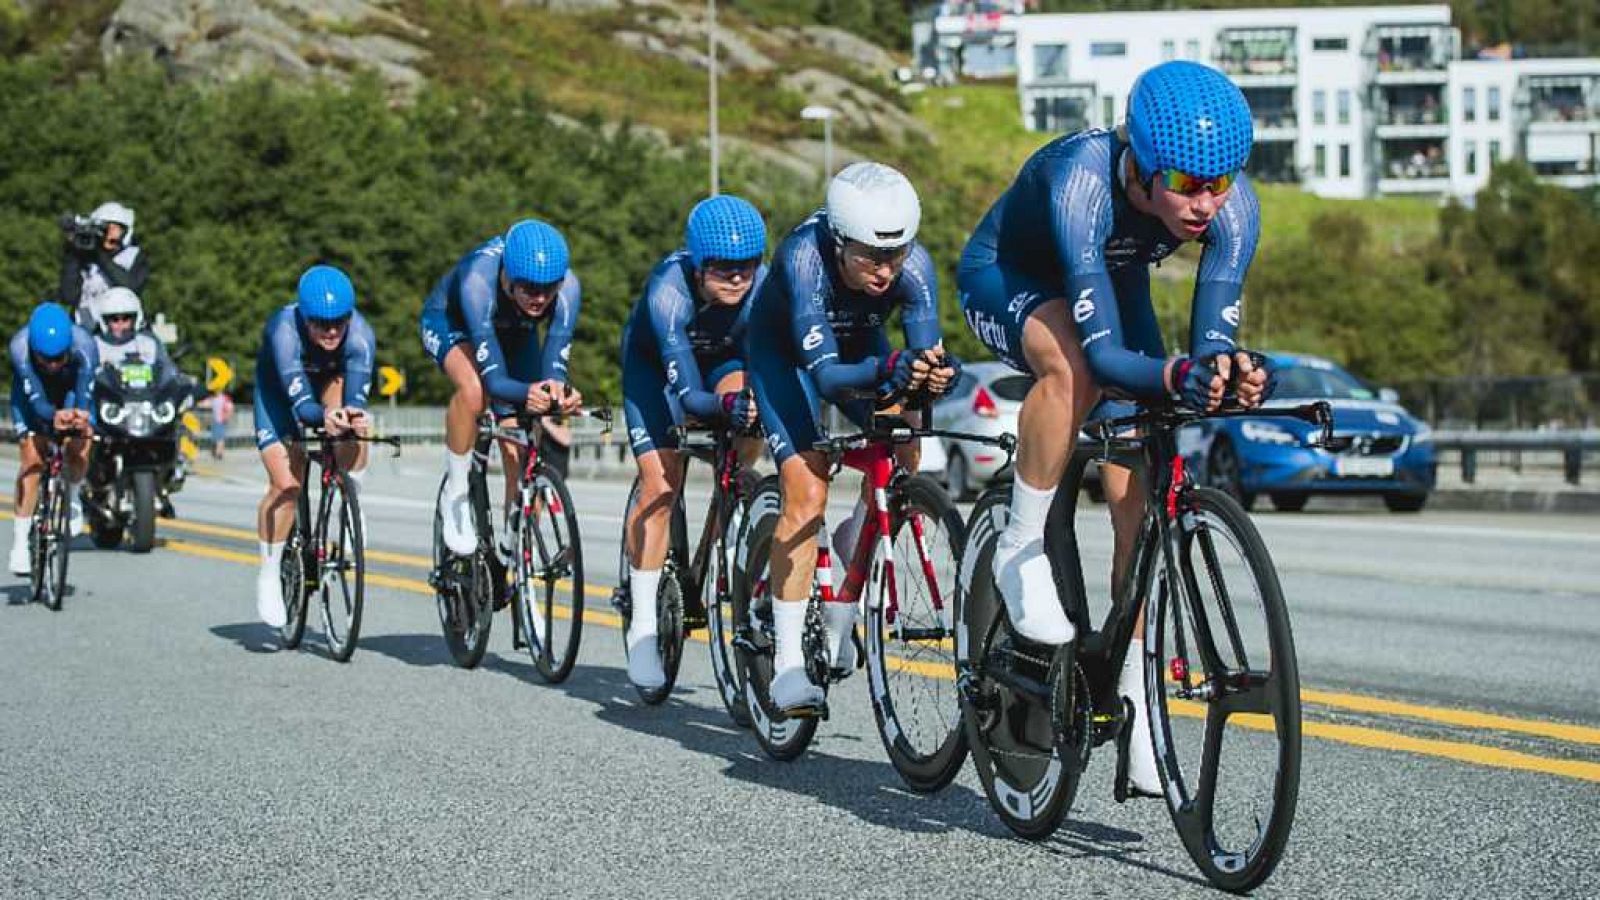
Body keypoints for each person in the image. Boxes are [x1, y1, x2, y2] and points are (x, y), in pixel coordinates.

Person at [957, 60, 1268, 795]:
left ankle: (1132, 699)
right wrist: (1171, 373)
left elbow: (1211, 343)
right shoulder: (1083, 179)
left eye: (1221, 183)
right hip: (1011, 276)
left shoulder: (1229, 203)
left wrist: (1232, 374)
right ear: (1147, 166)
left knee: (1140, 491)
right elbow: (1103, 357)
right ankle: (1020, 543)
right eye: (1190, 185)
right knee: (1075, 368)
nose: (1208, 203)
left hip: (1110, 271)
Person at [745, 162, 961, 713]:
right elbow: (825, 378)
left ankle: (858, 539)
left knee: (906, 445)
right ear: (840, 241)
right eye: (871, 256)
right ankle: (789, 666)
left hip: (859, 347)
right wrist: (891, 366)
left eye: (898, 254)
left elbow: (919, 363)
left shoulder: (915, 270)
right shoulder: (803, 258)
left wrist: (934, 374)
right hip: (787, 359)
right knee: (808, 491)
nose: (887, 271)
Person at [619, 194, 768, 690]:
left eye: (746, 267)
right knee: (661, 486)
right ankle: (642, 625)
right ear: (699, 263)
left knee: (748, 421)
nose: (737, 278)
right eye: (723, 269)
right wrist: (720, 407)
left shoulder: (762, 288)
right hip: (658, 370)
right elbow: (687, 394)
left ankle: (730, 513)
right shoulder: (669, 290)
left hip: (723, 361)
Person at [419, 218, 583, 559]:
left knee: (521, 449)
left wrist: (557, 392)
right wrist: (527, 393)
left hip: (515, 333)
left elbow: (553, 366)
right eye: (529, 288)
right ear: (507, 275)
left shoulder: (567, 289)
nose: (540, 298)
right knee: (475, 391)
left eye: (548, 289)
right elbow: (495, 383)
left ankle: (514, 547)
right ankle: (458, 492)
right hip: (454, 325)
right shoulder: (478, 279)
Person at [253, 265, 375, 628]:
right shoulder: (283, 330)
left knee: (353, 424)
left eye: (340, 321)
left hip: (328, 383)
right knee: (287, 485)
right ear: (305, 318)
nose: (332, 330)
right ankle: (270, 570)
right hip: (279, 394)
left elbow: (353, 399)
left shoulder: (361, 337)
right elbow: (302, 407)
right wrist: (322, 417)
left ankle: (349, 499)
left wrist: (348, 419)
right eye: (322, 324)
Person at [8, 303, 98, 575]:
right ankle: (20, 543)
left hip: (71, 390)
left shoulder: (86, 346)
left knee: (81, 446)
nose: (52, 365)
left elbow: (84, 394)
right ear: (34, 350)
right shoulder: (20, 348)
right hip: (32, 398)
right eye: (45, 359)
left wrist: (80, 418)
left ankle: (73, 495)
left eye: (59, 358)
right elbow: (36, 402)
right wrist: (51, 417)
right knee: (32, 460)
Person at [58, 202, 149, 331]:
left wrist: (99, 255)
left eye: (114, 228)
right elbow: (68, 295)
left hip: (122, 330)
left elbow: (130, 286)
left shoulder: (132, 256)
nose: (108, 233)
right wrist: (73, 253)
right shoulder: (85, 258)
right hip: (87, 330)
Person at [208, 389, 235, 460]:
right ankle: (219, 453)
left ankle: (218, 453)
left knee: (219, 439)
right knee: (219, 438)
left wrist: (226, 417)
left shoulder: (221, 398)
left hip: (219, 420)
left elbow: (230, 408)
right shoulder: (217, 398)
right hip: (218, 420)